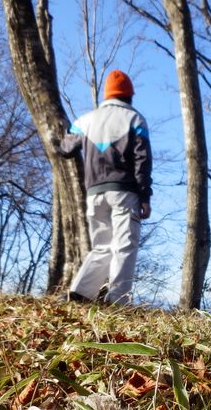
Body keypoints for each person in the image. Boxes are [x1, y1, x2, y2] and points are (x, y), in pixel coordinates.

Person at [56, 70, 152, 304]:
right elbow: (142, 160)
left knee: (102, 246)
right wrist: (145, 196)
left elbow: (65, 148)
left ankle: (80, 293)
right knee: (124, 246)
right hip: (124, 192)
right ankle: (117, 300)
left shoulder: (87, 120)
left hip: (94, 192)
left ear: (107, 95)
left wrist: (67, 132)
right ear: (129, 96)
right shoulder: (135, 119)